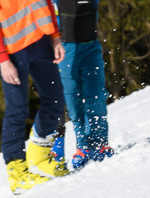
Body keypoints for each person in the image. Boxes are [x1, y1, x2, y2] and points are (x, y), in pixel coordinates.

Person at [0, 0, 69, 195]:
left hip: (42, 42)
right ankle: (17, 173)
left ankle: (41, 156)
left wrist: (55, 37)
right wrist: (3, 60)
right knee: (17, 109)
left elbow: (47, 3)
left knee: (55, 99)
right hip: (13, 52)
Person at [53, 0, 113, 170]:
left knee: (96, 95)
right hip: (65, 49)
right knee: (73, 99)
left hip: (90, 47)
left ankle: (99, 143)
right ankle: (82, 146)